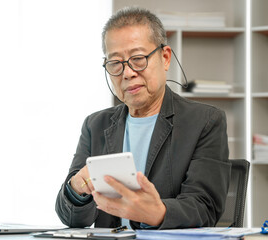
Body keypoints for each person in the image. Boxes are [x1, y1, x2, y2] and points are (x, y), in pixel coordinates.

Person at [55, 7, 231, 229]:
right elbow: (71, 219)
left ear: (165, 58)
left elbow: (205, 208)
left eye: (138, 59)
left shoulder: (205, 122)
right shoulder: (95, 125)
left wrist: (156, 213)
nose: (127, 73)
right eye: (115, 63)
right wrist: (76, 189)